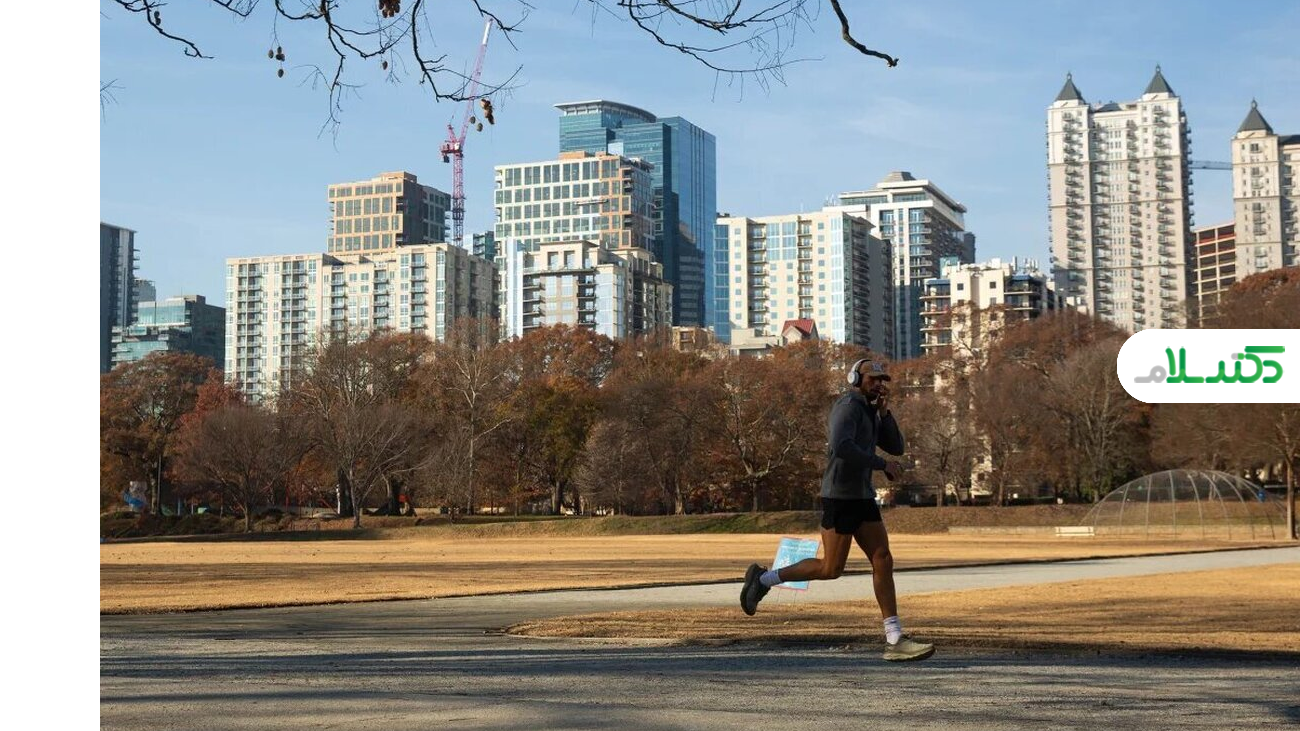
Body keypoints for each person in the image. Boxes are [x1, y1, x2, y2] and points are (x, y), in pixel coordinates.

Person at [739, 359, 935, 662]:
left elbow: (896, 447)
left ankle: (894, 637)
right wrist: (881, 465)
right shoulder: (847, 406)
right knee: (831, 569)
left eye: (883, 380)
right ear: (856, 378)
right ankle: (763, 580)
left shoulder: (871, 411)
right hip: (839, 497)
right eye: (873, 379)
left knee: (882, 558)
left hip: (862, 497)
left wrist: (885, 413)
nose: (879, 384)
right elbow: (841, 446)